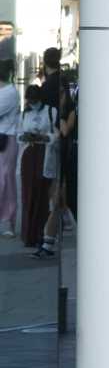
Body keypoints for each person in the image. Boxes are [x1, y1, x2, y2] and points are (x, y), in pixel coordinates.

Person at [17, 83, 54, 251]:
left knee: (41, 194)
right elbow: (18, 135)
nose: (32, 103)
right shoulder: (25, 114)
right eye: (30, 101)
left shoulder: (50, 112)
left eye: (34, 100)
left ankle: (40, 233)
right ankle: (28, 235)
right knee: (28, 194)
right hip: (28, 154)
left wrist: (45, 137)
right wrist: (25, 136)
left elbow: (57, 136)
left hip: (44, 153)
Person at [0, 60, 17, 237]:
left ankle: (9, 222)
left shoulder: (10, 92)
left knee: (6, 182)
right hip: (5, 139)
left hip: (6, 140)